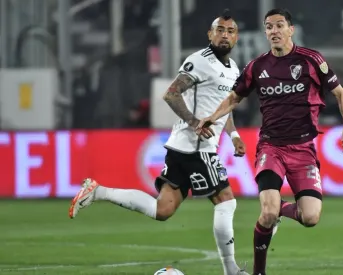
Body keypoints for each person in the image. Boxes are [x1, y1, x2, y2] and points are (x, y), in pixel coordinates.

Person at [69, 9, 249, 275]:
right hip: (195, 147)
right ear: (210, 34)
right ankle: (231, 270)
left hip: (184, 148)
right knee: (226, 201)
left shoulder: (233, 68)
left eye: (230, 31)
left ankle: (98, 191)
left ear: (236, 37)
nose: (225, 35)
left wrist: (233, 135)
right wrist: (193, 121)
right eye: (220, 30)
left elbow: (223, 108)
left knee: (162, 209)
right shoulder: (199, 61)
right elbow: (172, 94)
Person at [197, 8, 343, 275]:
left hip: (304, 150)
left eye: (279, 25)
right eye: (269, 27)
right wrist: (212, 117)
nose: (274, 31)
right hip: (271, 147)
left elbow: (341, 94)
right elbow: (235, 98)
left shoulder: (311, 60)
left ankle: (277, 209)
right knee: (268, 213)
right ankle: (259, 272)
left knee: (311, 217)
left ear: (290, 30)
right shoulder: (257, 67)